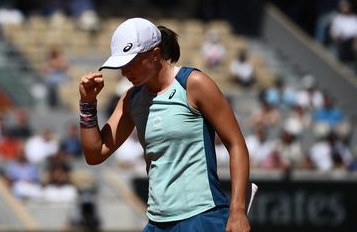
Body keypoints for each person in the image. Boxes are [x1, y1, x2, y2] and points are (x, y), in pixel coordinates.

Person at [78, 18, 250, 232]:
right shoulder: (131, 99)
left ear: (156, 54)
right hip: (157, 222)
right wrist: (87, 103)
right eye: (121, 65)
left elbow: (236, 145)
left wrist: (237, 210)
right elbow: (95, 154)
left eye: (131, 63)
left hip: (202, 217)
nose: (124, 72)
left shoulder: (194, 84)